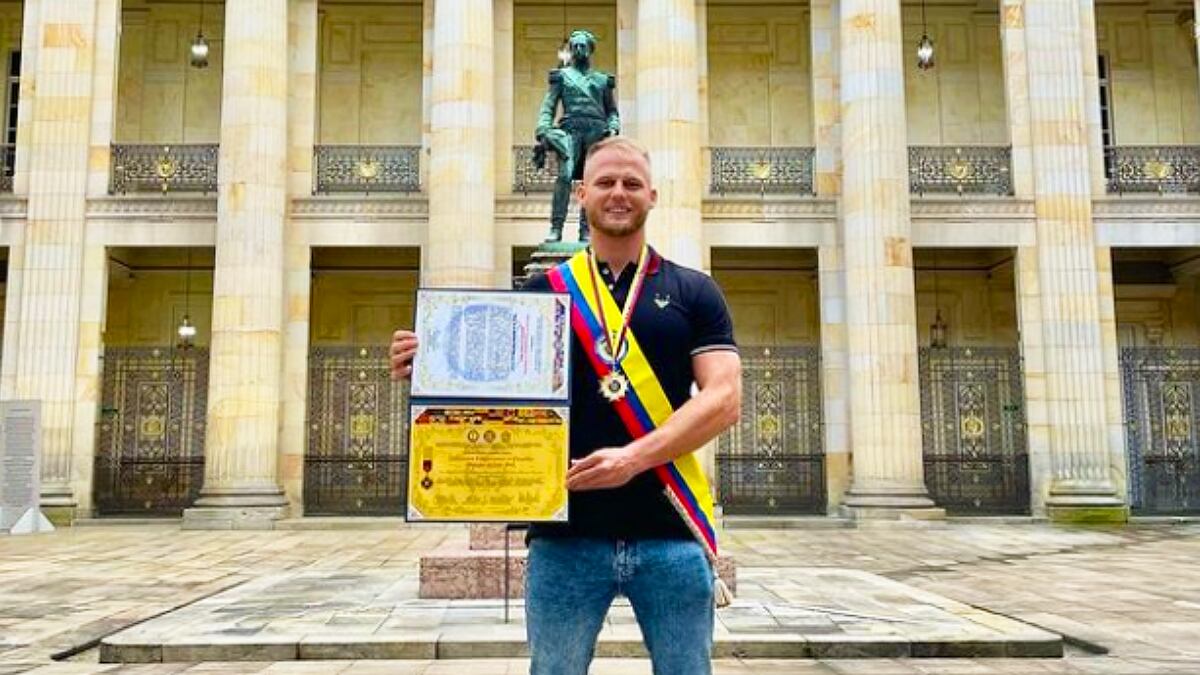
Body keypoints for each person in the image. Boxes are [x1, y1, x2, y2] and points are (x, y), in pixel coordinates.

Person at [390, 136, 741, 674]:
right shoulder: (539, 295)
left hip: (671, 534)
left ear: (653, 195)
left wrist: (633, 459)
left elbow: (724, 399)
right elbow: (485, 393)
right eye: (604, 182)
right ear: (581, 193)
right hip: (564, 541)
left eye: (630, 183)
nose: (617, 193)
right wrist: (431, 361)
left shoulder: (695, 292)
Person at [533, 29, 620, 243]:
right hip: (570, 132)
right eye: (575, 46)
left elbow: (612, 111)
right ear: (571, 50)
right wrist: (543, 127)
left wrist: (614, 127)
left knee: (591, 181)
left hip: (596, 132)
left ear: (590, 50)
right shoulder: (561, 77)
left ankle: (586, 230)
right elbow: (549, 106)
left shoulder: (601, 81)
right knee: (564, 176)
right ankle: (556, 227)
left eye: (583, 46)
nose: (579, 50)